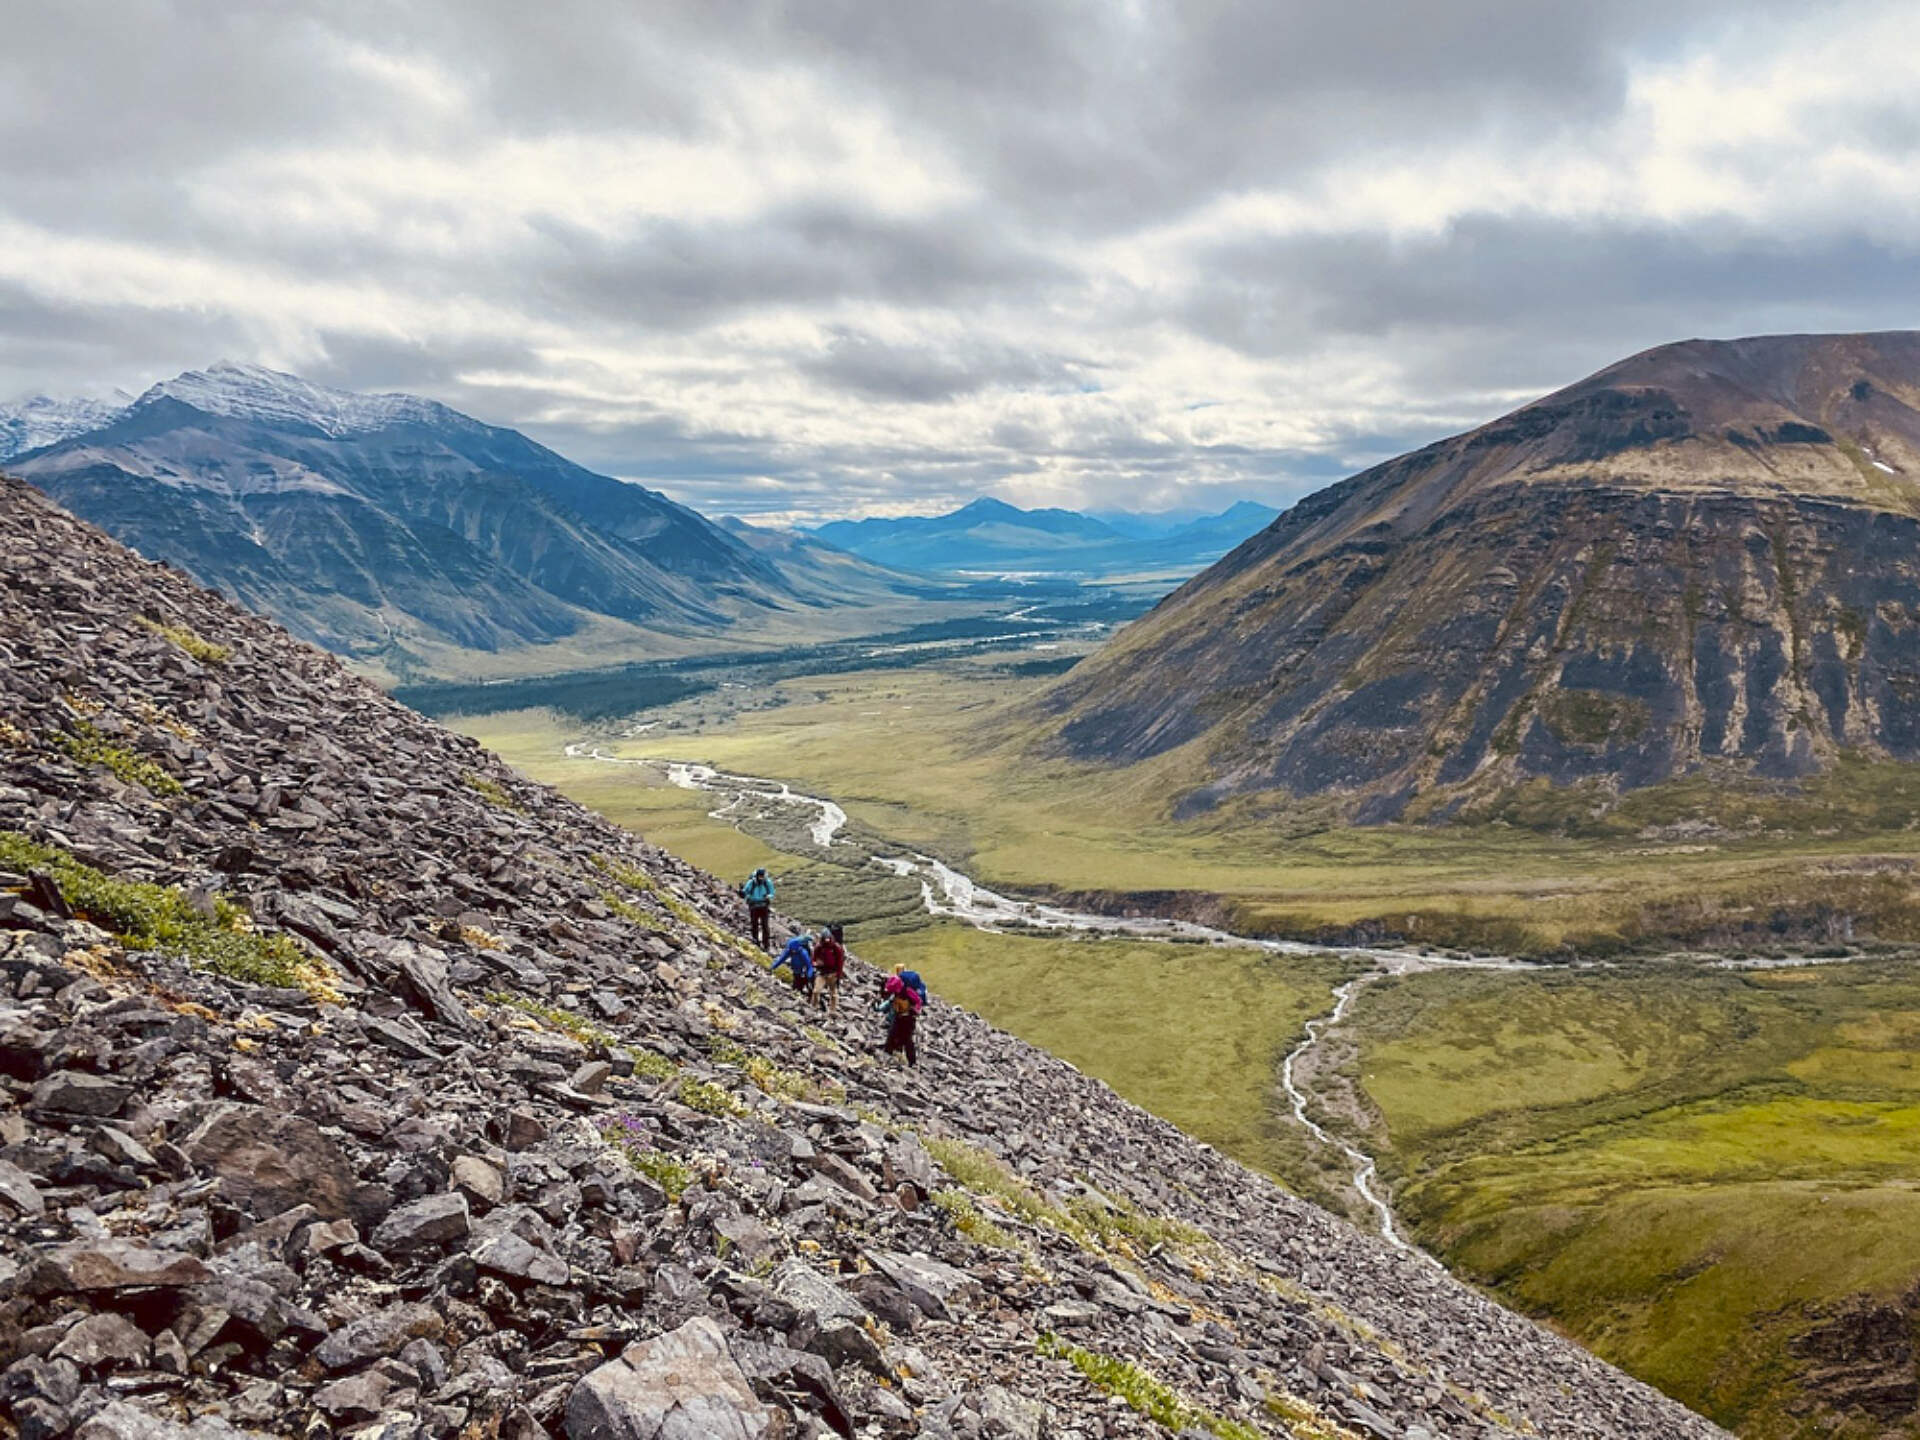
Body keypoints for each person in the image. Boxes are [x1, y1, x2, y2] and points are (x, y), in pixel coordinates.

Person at [878, 973, 921, 1067]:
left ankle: (912, 1062)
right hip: (899, 1017)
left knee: (907, 1040)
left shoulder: (908, 991)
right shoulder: (897, 993)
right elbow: (888, 1001)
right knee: (892, 1034)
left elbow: (918, 1001)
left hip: (908, 1019)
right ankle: (888, 1053)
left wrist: (915, 1010)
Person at [771, 931, 817, 1006]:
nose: (793, 951)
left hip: (803, 970)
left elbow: (809, 965)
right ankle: (799, 998)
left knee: (806, 984)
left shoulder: (803, 952)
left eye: (794, 950)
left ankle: (810, 1000)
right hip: (797, 970)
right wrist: (773, 967)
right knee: (796, 984)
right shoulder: (790, 950)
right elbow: (782, 959)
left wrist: (809, 975)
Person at [812, 923, 847, 1011]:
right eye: (825, 939)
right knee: (816, 991)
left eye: (828, 938)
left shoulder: (836, 948)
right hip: (822, 973)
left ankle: (832, 1011)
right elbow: (813, 959)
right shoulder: (819, 947)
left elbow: (840, 963)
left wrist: (838, 975)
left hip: (832, 973)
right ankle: (813, 1007)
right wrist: (815, 964)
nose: (827, 940)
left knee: (833, 994)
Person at [739, 867, 775, 951]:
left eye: (762, 876)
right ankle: (755, 941)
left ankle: (766, 944)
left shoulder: (767, 882)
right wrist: (742, 892)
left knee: (765, 926)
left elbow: (772, 892)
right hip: (754, 906)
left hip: (763, 906)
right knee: (754, 924)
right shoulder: (751, 882)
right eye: (760, 876)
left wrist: (768, 897)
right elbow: (746, 891)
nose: (761, 878)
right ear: (757, 876)